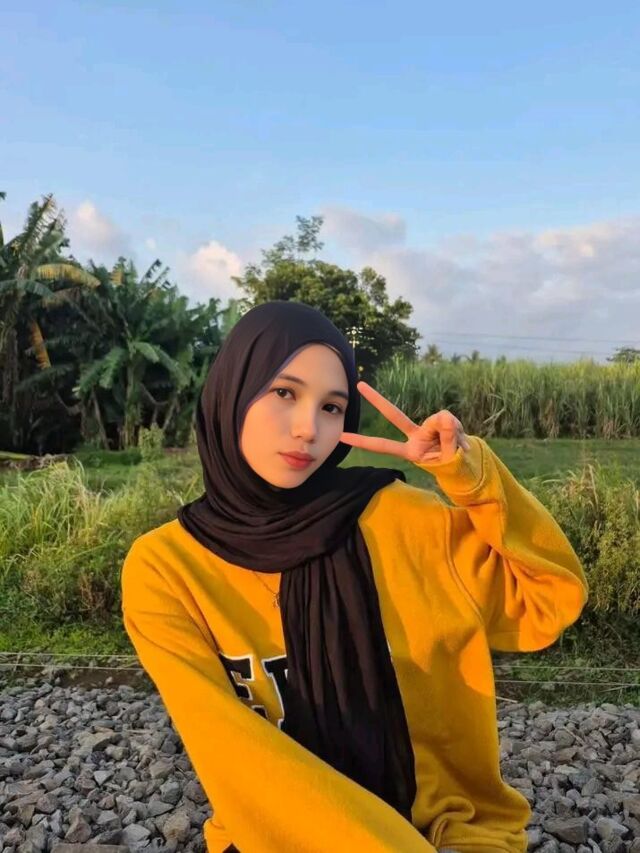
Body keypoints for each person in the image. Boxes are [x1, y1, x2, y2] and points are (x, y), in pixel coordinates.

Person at [120, 300, 589, 853]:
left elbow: (549, 599)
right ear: (232, 392)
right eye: (285, 393)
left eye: (332, 407)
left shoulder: (402, 520)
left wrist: (470, 479)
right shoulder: (166, 569)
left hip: (449, 830)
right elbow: (242, 761)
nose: (308, 429)